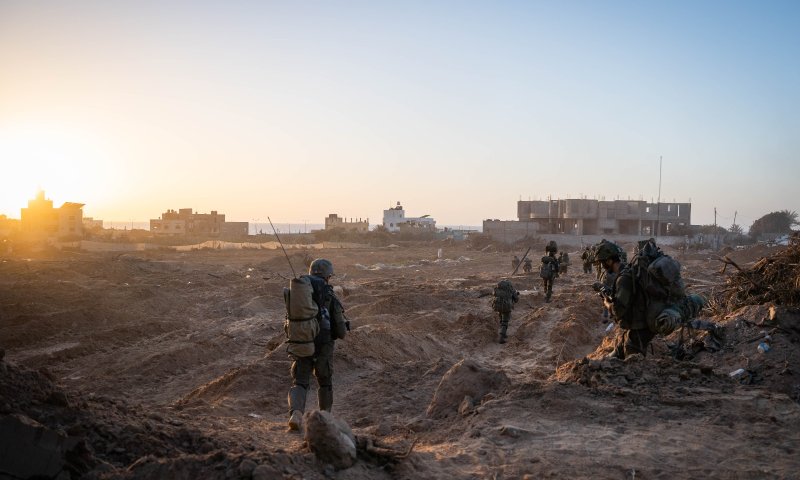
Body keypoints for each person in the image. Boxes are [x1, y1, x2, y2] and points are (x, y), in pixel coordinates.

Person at [594, 240, 707, 359]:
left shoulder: (623, 279)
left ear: (609, 261)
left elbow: (618, 311)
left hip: (642, 326)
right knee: (620, 349)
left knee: (633, 359)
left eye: (602, 263)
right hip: (643, 322)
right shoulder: (629, 270)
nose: (602, 266)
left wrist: (607, 303)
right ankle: (605, 362)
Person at [287, 259, 349, 431]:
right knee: (325, 381)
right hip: (323, 345)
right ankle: (325, 417)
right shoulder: (329, 294)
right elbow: (341, 332)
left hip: (302, 342)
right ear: (328, 276)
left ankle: (296, 414)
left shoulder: (300, 294)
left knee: (300, 382)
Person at [491, 279, 520, 344]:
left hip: (498, 307)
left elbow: (494, 295)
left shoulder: (497, 289)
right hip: (506, 307)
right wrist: (516, 295)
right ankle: (501, 337)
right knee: (505, 321)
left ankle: (503, 333)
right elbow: (516, 300)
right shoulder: (511, 290)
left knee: (501, 319)